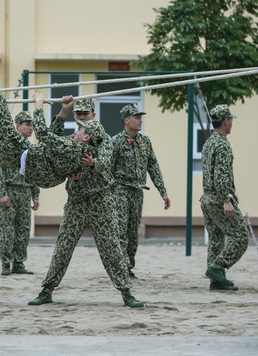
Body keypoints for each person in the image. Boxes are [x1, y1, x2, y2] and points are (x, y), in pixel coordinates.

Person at [28, 98, 144, 309]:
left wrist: (93, 164)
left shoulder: (104, 140)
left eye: (86, 114)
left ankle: (126, 292)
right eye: (78, 115)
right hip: (77, 201)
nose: (82, 118)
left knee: (112, 248)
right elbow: (50, 139)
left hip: (101, 199)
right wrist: (69, 172)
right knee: (64, 246)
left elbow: (106, 162)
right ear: (75, 116)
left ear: (93, 114)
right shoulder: (72, 140)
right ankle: (47, 290)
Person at [111, 104, 171, 279]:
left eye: (140, 117)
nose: (140, 120)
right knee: (120, 231)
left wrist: (163, 191)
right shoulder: (116, 142)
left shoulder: (145, 141)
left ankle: (128, 267)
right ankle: (120, 269)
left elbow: (153, 166)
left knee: (133, 232)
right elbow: (107, 168)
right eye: (136, 117)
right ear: (126, 120)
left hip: (137, 192)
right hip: (120, 191)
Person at [200, 104, 249, 291]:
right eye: (231, 120)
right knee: (241, 237)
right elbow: (220, 174)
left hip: (207, 198)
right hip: (218, 199)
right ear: (226, 121)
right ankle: (216, 269)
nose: (232, 123)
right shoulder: (222, 144)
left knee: (216, 239)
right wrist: (226, 199)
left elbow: (214, 173)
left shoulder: (209, 142)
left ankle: (217, 282)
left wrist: (230, 191)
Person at [0, 111, 40, 276]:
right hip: (10, 190)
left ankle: (19, 263)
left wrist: (35, 196)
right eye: (27, 125)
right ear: (17, 126)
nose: (31, 128)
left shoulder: (31, 148)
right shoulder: (7, 146)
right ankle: (6, 264)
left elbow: (35, 173)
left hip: (25, 191)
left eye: (32, 125)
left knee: (23, 230)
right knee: (7, 230)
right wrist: (2, 194)